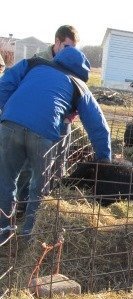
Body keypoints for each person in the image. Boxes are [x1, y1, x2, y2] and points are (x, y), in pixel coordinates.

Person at [0, 46, 111, 241]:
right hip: (43, 134)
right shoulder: (79, 85)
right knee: (39, 186)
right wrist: (104, 159)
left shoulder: (32, 64)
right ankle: (29, 236)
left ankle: (3, 230)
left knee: (6, 180)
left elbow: (3, 86)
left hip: (10, 125)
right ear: (83, 71)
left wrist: (11, 111)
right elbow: (98, 126)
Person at [16, 25, 80, 213]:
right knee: (30, 164)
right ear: (57, 42)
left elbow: (80, 92)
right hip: (38, 122)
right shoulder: (38, 61)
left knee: (59, 161)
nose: (71, 52)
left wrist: (71, 116)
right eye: (67, 47)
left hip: (63, 121)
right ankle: (22, 203)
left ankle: (49, 203)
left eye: (74, 48)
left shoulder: (74, 63)